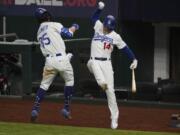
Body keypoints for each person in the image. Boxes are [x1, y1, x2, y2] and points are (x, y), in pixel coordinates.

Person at [87, 1, 138, 129]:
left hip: (106, 64)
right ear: (104, 24)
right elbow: (93, 18)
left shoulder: (115, 36)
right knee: (92, 64)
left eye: (109, 28)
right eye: (106, 26)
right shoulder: (98, 26)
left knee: (111, 91)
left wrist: (134, 59)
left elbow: (125, 48)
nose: (106, 28)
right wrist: (99, 9)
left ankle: (114, 118)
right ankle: (101, 82)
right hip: (94, 61)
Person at [30, 7, 79, 122]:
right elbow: (69, 34)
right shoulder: (54, 24)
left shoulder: (38, 32)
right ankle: (66, 108)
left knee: (44, 85)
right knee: (69, 81)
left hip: (49, 62)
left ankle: (35, 108)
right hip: (61, 59)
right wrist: (75, 27)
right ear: (47, 16)